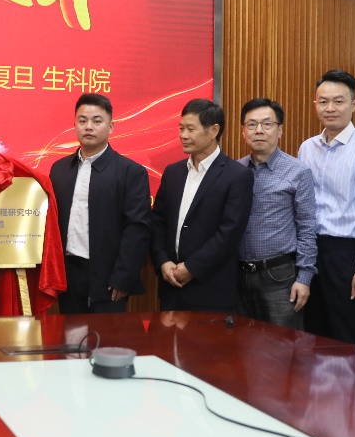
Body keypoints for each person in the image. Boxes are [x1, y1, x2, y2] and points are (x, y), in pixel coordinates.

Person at [297, 69, 355, 347]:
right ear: (315, 105)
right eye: (323, 102)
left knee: (349, 337)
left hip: (347, 254)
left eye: (338, 101)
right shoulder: (307, 148)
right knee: (314, 335)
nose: (330, 108)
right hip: (312, 251)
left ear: (353, 104)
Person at [49, 93, 151, 314]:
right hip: (68, 275)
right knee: (70, 334)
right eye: (82, 120)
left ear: (111, 126)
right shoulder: (59, 170)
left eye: (97, 121)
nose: (89, 127)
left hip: (109, 278)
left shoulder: (131, 172)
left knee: (106, 336)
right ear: (74, 125)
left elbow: (138, 229)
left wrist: (123, 277)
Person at [151, 98, 253, 312]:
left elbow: (229, 233)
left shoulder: (237, 175)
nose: (183, 135)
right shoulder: (173, 172)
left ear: (214, 130)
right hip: (171, 287)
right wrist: (162, 261)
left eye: (190, 129)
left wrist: (191, 268)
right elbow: (157, 221)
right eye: (181, 128)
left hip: (211, 289)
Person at [236, 98, 317, 330]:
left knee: (283, 345)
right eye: (251, 124)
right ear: (243, 131)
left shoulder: (298, 172)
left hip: (279, 276)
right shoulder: (236, 170)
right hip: (238, 275)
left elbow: (307, 227)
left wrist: (304, 278)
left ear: (279, 130)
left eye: (267, 124)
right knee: (240, 344)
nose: (259, 130)